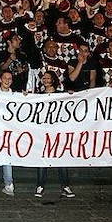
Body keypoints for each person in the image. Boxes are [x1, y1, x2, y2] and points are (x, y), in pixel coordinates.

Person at [34, 71, 76, 199]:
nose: (45, 80)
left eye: (48, 78)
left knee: (61, 158)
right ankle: (40, 186)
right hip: (43, 131)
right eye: (44, 78)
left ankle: (65, 186)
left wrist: (71, 96)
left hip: (58, 131)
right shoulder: (38, 96)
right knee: (42, 159)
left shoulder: (61, 95)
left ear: (53, 80)